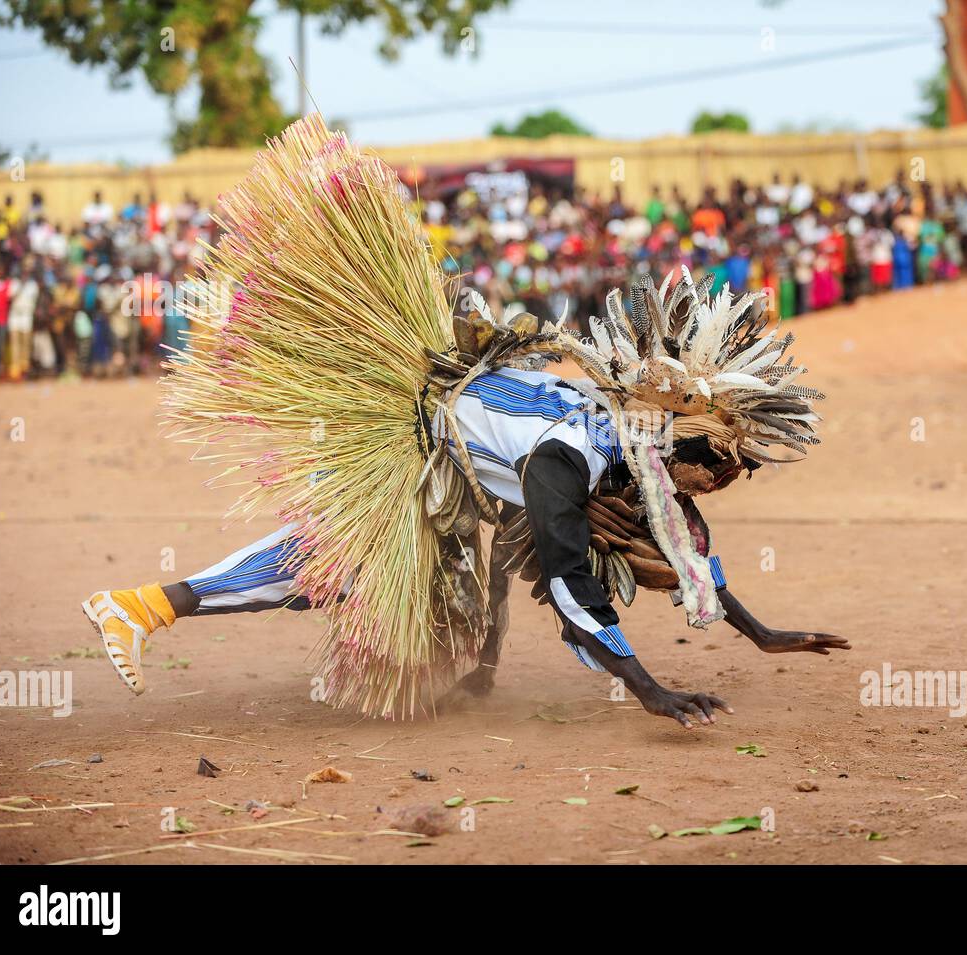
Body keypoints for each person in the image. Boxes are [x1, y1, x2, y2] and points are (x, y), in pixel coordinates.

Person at [80, 116, 847, 728]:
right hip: (402, 439)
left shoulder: (629, 439)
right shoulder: (570, 457)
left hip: (443, 428)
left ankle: (151, 605)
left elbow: (682, 541)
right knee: (333, 566)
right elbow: (571, 585)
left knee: (345, 579)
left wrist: (763, 633)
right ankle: (142, 605)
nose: (719, 479)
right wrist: (650, 689)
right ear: (675, 435)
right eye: (716, 460)